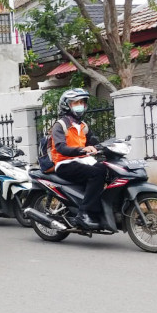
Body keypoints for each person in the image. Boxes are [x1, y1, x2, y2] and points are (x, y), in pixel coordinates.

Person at [49, 88, 106, 230]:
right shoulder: (60, 125)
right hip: (65, 163)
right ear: (67, 105)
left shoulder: (83, 126)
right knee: (97, 172)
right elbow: (61, 147)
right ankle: (84, 213)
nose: (80, 105)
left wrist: (108, 146)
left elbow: (93, 142)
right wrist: (82, 150)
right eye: (76, 102)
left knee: (107, 168)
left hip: (82, 160)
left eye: (82, 102)